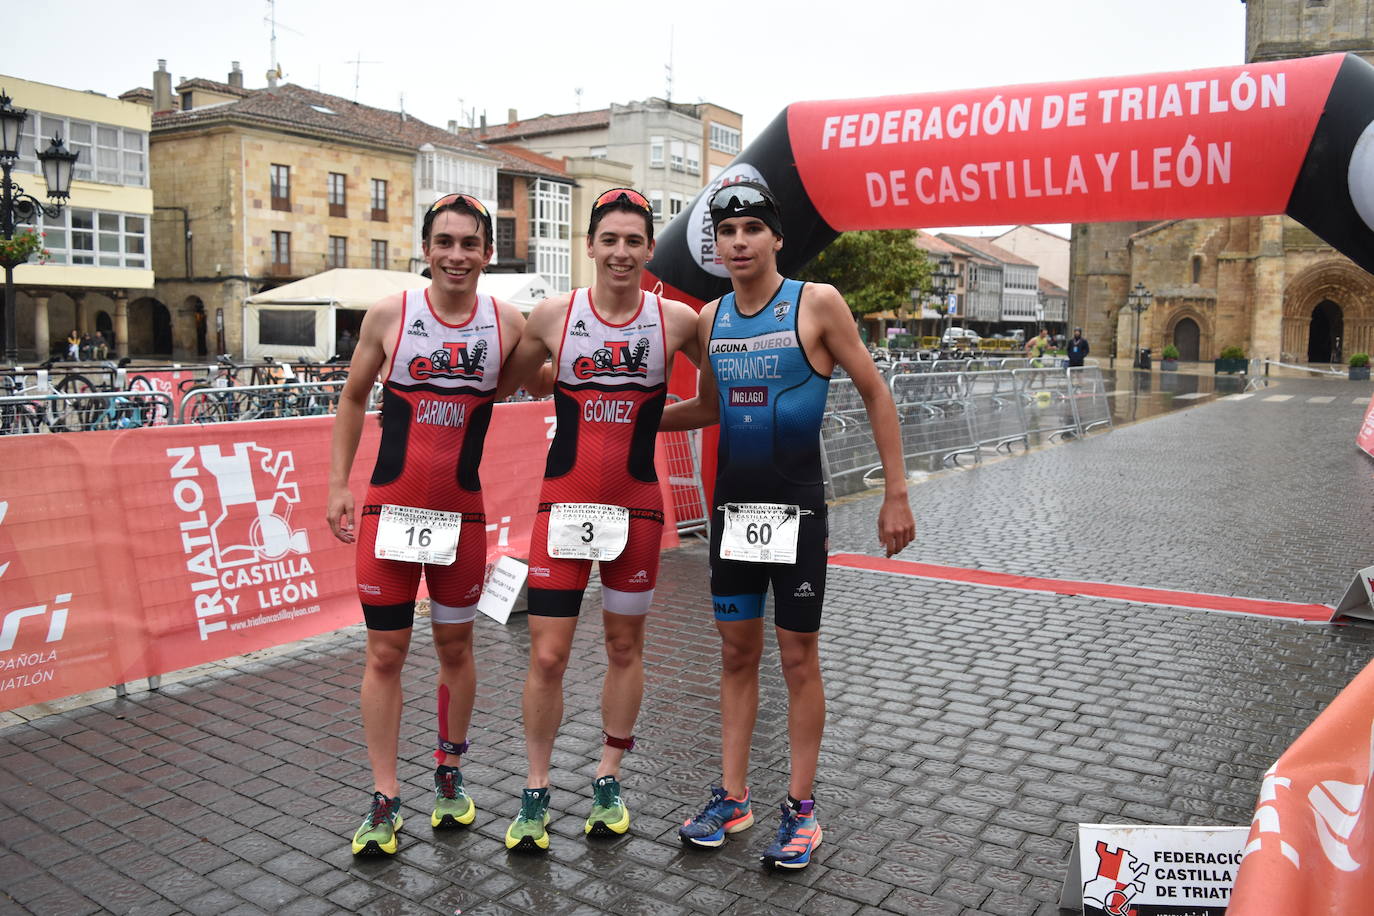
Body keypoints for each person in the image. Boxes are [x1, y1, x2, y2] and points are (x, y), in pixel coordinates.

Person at [661, 180, 915, 869]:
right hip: (734, 513)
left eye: (751, 229)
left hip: (797, 511)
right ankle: (734, 796)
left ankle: (801, 809)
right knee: (736, 656)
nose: (738, 242)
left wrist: (897, 493)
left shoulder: (816, 303)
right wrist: (632, 412)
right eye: (726, 231)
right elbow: (706, 407)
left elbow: (874, 391)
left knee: (798, 659)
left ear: (775, 238)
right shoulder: (712, 318)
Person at [496, 188, 700, 852]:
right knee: (548, 654)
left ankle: (608, 775)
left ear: (649, 250)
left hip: (638, 508)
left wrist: (648, 421)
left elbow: (718, 401)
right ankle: (535, 788)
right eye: (608, 239)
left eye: (633, 241)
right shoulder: (556, 313)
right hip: (564, 502)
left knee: (622, 649)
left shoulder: (677, 321)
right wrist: (568, 385)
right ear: (589, 246)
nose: (620, 252)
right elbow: (518, 380)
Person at [326, 193, 524, 856]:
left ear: (488, 253)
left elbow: (551, 371)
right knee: (385, 653)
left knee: (456, 652)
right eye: (445, 242)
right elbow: (354, 396)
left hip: (461, 518)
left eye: (470, 244)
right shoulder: (391, 315)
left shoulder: (509, 323)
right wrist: (338, 486)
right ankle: (384, 797)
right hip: (390, 508)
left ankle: (449, 772)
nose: (457, 255)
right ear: (427, 250)